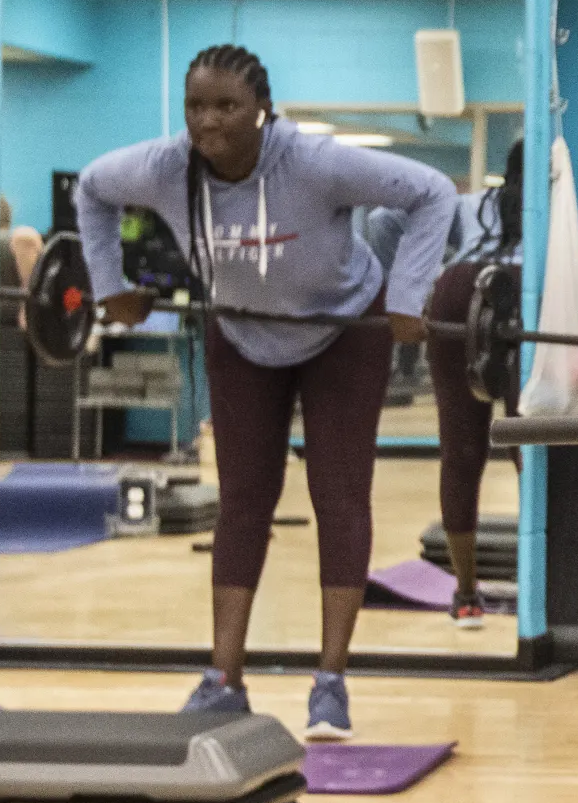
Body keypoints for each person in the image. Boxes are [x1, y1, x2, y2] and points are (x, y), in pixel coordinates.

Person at [73, 45, 459, 740]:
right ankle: (223, 679)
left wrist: (407, 294)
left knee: (338, 495)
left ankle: (331, 683)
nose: (208, 120)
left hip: (344, 328)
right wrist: (111, 288)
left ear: (263, 112)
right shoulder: (166, 168)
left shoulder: (314, 163)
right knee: (244, 501)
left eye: (227, 106)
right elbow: (92, 191)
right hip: (243, 333)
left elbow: (432, 191)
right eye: (196, 105)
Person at [422, 174, 523, 626]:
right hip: (522, 287)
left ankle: (466, 596)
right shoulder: (556, 203)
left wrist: (407, 282)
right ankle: (547, 583)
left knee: (460, 451)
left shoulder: (473, 203)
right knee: (532, 445)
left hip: (457, 287)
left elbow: (386, 220)